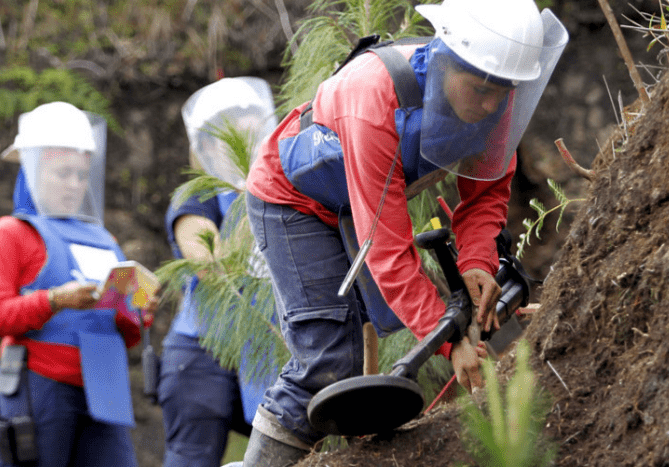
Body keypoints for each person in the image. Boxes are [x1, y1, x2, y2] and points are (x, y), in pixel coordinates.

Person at [239, 0, 568, 464]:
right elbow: (389, 252)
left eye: (504, 90)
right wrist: (451, 342)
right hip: (293, 201)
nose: (492, 104)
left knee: (414, 321)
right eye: (479, 89)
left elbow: (485, 195)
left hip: (359, 205)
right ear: (443, 58)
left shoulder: (495, 93)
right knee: (329, 361)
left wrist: (476, 262)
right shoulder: (374, 99)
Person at [0, 101, 156, 467]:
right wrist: (55, 299)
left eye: (81, 174)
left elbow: (123, 331)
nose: (74, 185)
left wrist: (139, 312)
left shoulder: (104, 240)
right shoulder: (9, 234)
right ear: (34, 169)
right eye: (62, 173)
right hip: (39, 387)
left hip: (104, 391)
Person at [157, 77, 280, 467]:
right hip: (201, 353)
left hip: (268, 343)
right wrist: (250, 201)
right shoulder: (197, 196)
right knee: (193, 458)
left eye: (255, 131)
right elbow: (211, 266)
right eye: (235, 136)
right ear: (207, 145)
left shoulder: (284, 189)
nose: (250, 145)